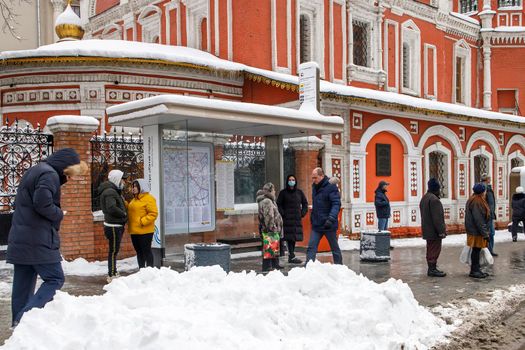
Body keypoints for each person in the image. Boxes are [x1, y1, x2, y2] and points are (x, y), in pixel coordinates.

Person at [7, 148, 87, 327]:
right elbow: (42, 203)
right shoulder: (49, 174)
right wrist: (59, 213)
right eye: (71, 173)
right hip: (38, 239)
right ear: (66, 166)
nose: (71, 178)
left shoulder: (36, 170)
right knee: (55, 278)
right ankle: (25, 318)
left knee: (23, 285)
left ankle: (17, 324)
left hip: (21, 238)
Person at [306, 168, 343, 265]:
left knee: (334, 247)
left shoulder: (331, 187)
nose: (313, 180)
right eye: (312, 178)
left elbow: (336, 204)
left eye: (315, 178)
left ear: (322, 176)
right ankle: (308, 268)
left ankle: (339, 268)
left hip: (328, 224)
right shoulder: (314, 187)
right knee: (311, 247)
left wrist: (331, 218)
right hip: (317, 224)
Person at [99, 169, 128, 282]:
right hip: (113, 226)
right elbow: (111, 208)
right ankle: (111, 274)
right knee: (113, 251)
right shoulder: (110, 191)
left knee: (114, 250)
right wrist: (123, 213)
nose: (124, 182)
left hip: (114, 225)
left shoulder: (113, 190)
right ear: (117, 179)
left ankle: (113, 271)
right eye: (123, 179)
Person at [277, 175, 308, 264]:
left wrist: (302, 213)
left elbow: (305, 203)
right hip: (287, 220)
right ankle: (291, 255)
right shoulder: (283, 193)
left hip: (296, 219)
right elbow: (278, 204)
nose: (291, 181)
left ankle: (292, 255)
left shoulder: (299, 192)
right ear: (287, 181)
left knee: (294, 238)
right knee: (289, 238)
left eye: (293, 180)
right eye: (290, 180)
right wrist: (283, 213)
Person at [127, 179, 158, 268]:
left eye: (136, 186)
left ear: (142, 187)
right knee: (139, 252)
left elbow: (153, 213)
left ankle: (150, 270)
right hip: (134, 231)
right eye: (133, 186)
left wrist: (142, 221)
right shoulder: (134, 200)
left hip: (145, 231)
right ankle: (141, 271)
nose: (133, 188)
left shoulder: (149, 198)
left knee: (146, 251)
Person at [419, 178, 447, 277]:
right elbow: (437, 218)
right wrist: (441, 231)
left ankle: (432, 268)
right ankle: (432, 269)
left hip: (427, 229)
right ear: (436, 189)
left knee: (430, 248)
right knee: (434, 249)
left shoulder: (425, 198)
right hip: (434, 231)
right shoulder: (434, 200)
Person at [465, 183, 491, 279]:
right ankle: (474, 270)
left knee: (477, 249)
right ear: (482, 191)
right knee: (476, 250)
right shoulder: (477, 201)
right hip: (476, 231)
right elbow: (479, 219)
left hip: (475, 230)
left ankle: (476, 269)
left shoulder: (475, 199)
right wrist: (485, 233)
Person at [257, 182, 283, 272]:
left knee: (272, 248)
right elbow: (269, 216)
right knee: (269, 248)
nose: (275, 191)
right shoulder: (267, 201)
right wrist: (272, 229)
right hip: (270, 229)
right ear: (270, 190)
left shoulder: (269, 200)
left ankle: (275, 264)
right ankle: (268, 267)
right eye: (274, 189)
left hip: (270, 228)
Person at [481, 174, 497, 256]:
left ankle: (488, 250)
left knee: (489, 233)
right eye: (489, 178)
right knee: (490, 233)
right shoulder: (485, 188)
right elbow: (488, 203)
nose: (490, 179)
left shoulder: (486, 188)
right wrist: (489, 213)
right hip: (488, 215)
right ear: (487, 179)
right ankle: (488, 250)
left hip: (488, 214)